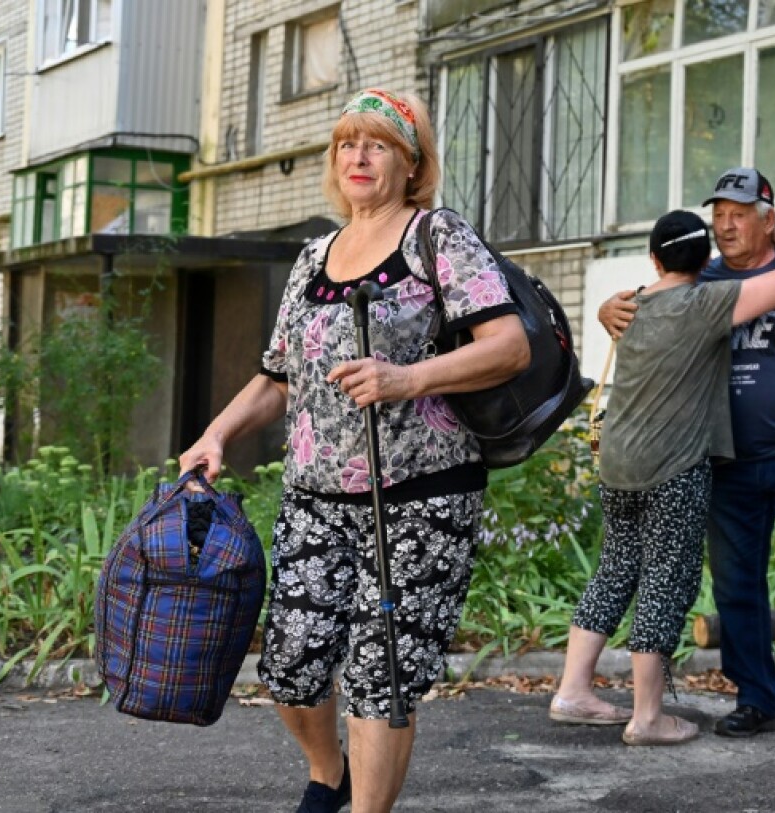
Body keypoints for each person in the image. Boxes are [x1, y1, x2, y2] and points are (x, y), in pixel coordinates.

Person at [178, 88, 530, 813]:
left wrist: (409, 377)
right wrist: (217, 433)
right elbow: (277, 377)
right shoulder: (314, 256)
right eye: (346, 144)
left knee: (382, 670)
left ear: (410, 164)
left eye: (376, 144)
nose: (357, 157)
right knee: (291, 662)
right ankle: (327, 773)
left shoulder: (438, 236)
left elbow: (510, 346)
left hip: (421, 498)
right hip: (315, 499)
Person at [599, 168, 775, 753]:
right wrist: (609, 307)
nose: (726, 225)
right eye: (719, 214)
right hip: (723, 460)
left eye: (739, 212)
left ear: (768, 218)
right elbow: (645, 310)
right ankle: (755, 700)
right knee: (736, 588)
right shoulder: (699, 277)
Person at [550, 210, 775, 746]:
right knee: (666, 580)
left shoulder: (629, 306)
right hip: (673, 467)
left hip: (618, 463)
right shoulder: (705, 302)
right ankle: (647, 717)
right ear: (707, 261)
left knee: (616, 569)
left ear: (653, 258)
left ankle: (573, 690)